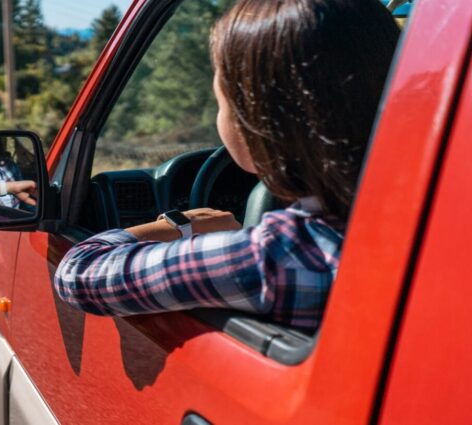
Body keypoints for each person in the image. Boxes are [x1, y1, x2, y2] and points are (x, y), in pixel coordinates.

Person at [54, 0, 401, 332]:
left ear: (258, 124)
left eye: (221, 103)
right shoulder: (435, 221)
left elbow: (77, 274)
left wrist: (182, 226)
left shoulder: (274, 257)